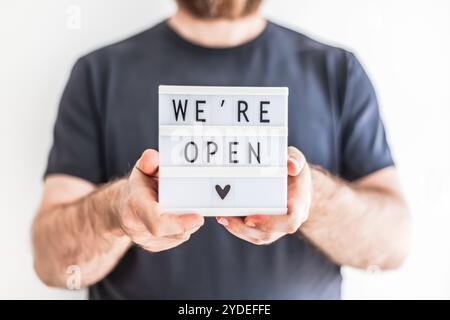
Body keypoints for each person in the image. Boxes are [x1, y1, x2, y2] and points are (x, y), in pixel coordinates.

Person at [31, 0, 411, 299]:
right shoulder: (97, 74)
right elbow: (51, 264)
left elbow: (393, 245)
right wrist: (114, 213)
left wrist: (316, 200)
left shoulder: (337, 71)